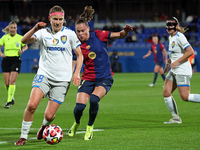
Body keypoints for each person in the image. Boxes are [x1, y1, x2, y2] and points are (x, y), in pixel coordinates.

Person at [14, 5, 83, 145]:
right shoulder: (43, 33)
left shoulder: (69, 34)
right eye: (55, 19)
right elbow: (23, 41)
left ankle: (44, 127)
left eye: (61, 19)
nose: (58, 22)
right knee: (32, 105)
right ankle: (23, 136)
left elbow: (80, 55)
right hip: (44, 75)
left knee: (49, 115)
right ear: (49, 19)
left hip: (62, 80)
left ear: (63, 20)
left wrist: (76, 73)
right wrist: (35, 28)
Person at [67, 6, 132, 140]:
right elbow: (75, 61)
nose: (80, 34)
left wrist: (125, 31)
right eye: (78, 31)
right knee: (79, 107)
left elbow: (120, 35)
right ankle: (76, 123)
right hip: (87, 78)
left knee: (94, 99)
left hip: (104, 78)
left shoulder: (99, 35)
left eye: (83, 31)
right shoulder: (77, 45)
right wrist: (74, 74)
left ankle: (90, 127)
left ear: (88, 29)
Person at [163, 17, 200, 124]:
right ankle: (176, 118)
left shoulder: (180, 37)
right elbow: (174, 54)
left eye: (171, 28)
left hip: (182, 69)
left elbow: (190, 51)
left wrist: (177, 62)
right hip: (174, 69)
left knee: (185, 97)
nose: (169, 29)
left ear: (175, 27)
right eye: (168, 28)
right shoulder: (171, 37)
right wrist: (168, 63)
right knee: (166, 92)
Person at [0, 21, 28, 109]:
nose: (13, 29)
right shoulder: (4, 37)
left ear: (16, 29)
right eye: (11, 28)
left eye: (14, 28)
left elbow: (25, 46)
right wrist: (1, 54)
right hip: (6, 60)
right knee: (6, 83)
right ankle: (11, 97)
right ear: (9, 28)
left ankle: (8, 101)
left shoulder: (20, 38)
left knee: (12, 81)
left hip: (16, 60)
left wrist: (22, 50)